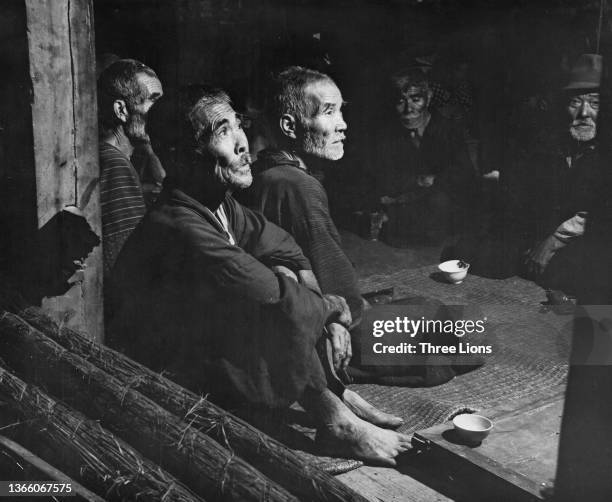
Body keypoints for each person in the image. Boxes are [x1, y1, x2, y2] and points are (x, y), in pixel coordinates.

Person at [108, 88, 412, 466]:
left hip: (226, 349)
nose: (242, 143)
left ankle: (333, 397)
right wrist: (332, 309)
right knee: (272, 302)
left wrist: (322, 308)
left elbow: (285, 246)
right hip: (168, 373)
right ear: (182, 156)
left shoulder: (220, 204)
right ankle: (334, 418)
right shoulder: (178, 223)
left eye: (239, 125)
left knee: (284, 277)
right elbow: (273, 296)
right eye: (222, 131)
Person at [245, 66, 484, 387]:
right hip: (323, 326)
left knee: (447, 320)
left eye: (342, 111)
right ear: (289, 125)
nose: (343, 125)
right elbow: (335, 285)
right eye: (329, 112)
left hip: (300, 313)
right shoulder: (297, 185)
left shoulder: (268, 172)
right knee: (457, 330)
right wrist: (354, 315)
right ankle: (332, 365)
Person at [503, 54, 605, 295]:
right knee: (494, 255)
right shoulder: (555, 144)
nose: (584, 113)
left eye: (595, 103)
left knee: (570, 271)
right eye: (575, 102)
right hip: (554, 230)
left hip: (596, 234)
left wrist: (553, 241)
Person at [371, 67, 478, 245]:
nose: (408, 109)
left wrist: (434, 180)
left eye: (416, 99)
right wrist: (419, 182)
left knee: (439, 205)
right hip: (405, 199)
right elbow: (382, 176)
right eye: (400, 101)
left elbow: (465, 175)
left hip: (441, 202)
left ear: (428, 97)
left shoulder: (448, 129)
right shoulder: (387, 133)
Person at [97, 59, 164, 275]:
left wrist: (148, 146)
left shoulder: (116, 158)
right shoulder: (115, 165)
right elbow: (127, 261)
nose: (162, 113)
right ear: (121, 110)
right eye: (154, 101)